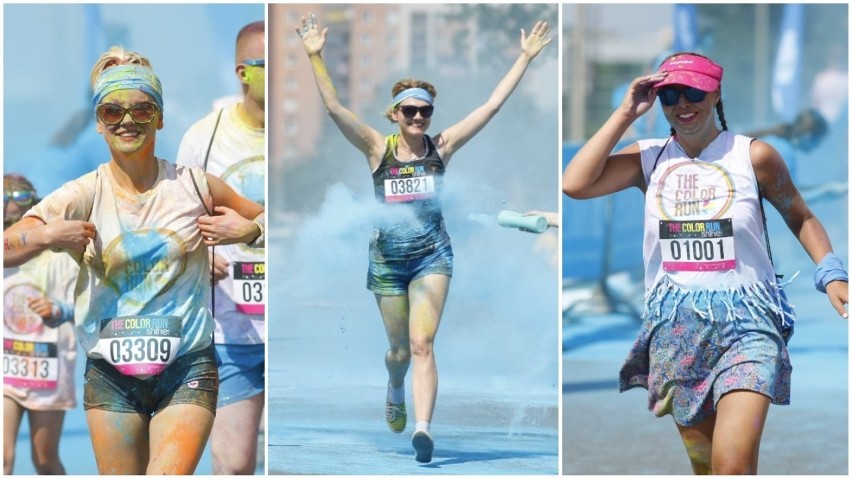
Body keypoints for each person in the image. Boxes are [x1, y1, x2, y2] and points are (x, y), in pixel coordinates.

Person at [562, 52, 848, 474]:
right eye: (670, 95)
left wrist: (832, 273)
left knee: (731, 466)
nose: (682, 103)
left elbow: (801, 216)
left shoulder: (754, 156)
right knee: (707, 467)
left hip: (748, 325)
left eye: (693, 91)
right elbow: (575, 184)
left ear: (715, 94)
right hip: (675, 331)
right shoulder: (649, 157)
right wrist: (626, 112)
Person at [295, 12, 551, 463]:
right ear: (394, 114)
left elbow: (490, 106)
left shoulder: (442, 147)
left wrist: (525, 58)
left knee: (422, 344)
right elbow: (335, 110)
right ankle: (395, 387)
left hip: (433, 256)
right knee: (398, 351)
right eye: (409, 110)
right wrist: (315, 56)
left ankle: (423, 428)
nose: (418, 117)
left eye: (425, 110)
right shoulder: (378, 148)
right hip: (388, 262)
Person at [3, 46, 265, 475]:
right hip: (111, 375)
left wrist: (250, 230)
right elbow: (8, 244)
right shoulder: (82, 193)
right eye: (113, 112)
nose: (128, 121)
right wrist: (46, 233)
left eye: (142, 110)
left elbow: (262, 216)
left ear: (160, 117)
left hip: (186, 367)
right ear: (99, 124)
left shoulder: (194, 186)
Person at [176, 20, 265, 475]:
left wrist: (254, 230)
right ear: (241, 72)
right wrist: (199, 255)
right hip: (232, 329)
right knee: (233, 465)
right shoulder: (203, 137)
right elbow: (178, 220)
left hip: (294, 323)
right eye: (264, 66)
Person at [3, 174, 79, 474]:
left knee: (45, 460)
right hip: (5, 370)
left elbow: (91, 307)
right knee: (3, 459)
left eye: (21, 196)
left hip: (50, 369)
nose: (11, 203)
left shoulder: (61, 255)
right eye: (5, 196)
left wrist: (59, 309)